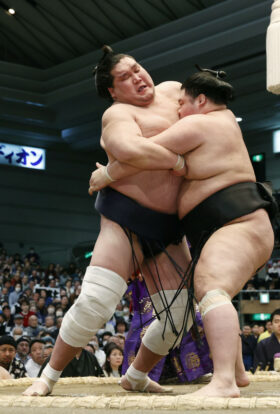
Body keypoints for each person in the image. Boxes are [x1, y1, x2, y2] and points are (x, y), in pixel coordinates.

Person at [89, 68, 275, 397]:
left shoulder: (197, 123)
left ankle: (224, 383)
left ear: (200, 100)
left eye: (182, 103)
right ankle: (237, 373)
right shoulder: (226, 119)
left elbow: (138, 153)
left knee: (211, 288)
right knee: (219, 294)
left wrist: (106, 176)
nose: (177, 111)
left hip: (238, 222)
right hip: (235, 224)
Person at [23, 46, 194, 397]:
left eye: (137, 69)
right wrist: (179, 159)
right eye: (124, 78)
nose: (137, 78)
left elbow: (208, 123)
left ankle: (135, 375)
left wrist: (112, 171)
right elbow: (132, 150)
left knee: (181, 316)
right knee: (97, 300)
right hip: (125, 219)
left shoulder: (175, 91)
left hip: (169, 227)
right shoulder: (116, 115)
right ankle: (49, 376)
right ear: (113, 91)